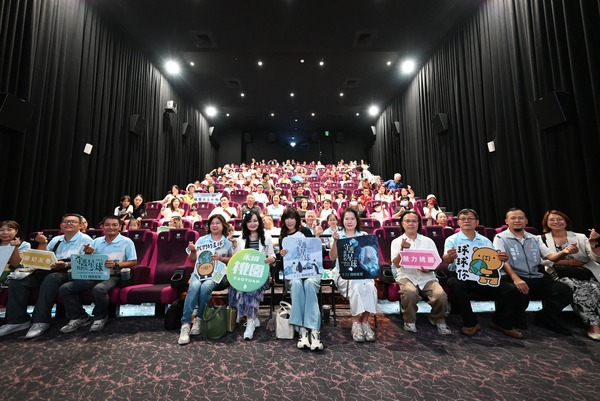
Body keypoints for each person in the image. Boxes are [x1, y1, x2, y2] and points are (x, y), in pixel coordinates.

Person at [0, 214, 92, 338]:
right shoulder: (56, 239)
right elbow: (41, 257)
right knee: (18, 280)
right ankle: (17, 320)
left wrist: (65, 264)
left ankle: (40, 320)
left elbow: (86, 261)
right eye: (66, 221)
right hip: (49, 268)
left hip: (69, 271)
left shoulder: (85, 239)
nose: (69, 224)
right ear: (61, 225)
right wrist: (43, 243)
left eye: (73, 222)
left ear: (80, 225)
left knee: (51, 279)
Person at [493, 208, 575, 335]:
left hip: (536, 275)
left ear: (526, 221)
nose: (517, 220)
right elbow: (502, 261)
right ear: (507, 221)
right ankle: (515, 318)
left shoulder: (535, 238)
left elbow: (551, 257)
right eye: (513, 218)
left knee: (563, 290)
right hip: (514, 275)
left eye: (520, 218)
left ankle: (546, 318)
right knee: (517, 290)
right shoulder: (500, 238)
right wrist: (516, 278)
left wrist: (564, 252)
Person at [443, 208, 523, 338]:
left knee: (510, 289)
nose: (467, 221)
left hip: (483, 275)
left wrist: (501, 258)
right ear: (458, 222)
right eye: (463, 219)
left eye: (470, 218)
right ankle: (471, 323)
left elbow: (493, 259)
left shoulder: (485, 240)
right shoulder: (452, 240)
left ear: (477, 222)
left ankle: (500, 322)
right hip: (461, 276)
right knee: (454, 284)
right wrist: (449, 257)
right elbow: (446, 259)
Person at [59, 216, 137, 333]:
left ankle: (100, 317)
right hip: (93, 274)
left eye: (114, 225)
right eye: (107, 225)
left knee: (99, 289)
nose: (111, 227)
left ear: (120, 227)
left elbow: (133, 261)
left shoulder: (126, 242)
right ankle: (79, 316)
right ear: (102, 227)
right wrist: (88, 253)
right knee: (65, 288)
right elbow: (85, 260)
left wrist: (117, 264)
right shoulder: (96, 241)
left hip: (113, 275)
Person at [538, 210, 600, 340]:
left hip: (584, 272)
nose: (556, 222)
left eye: (560, 219)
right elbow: (540, 260)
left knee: (594, 287)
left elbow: (595, 257)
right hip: (559, 274)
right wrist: (567, 262)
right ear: (546, 223)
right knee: (575, 287)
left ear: (566, 221)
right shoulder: (541, 239)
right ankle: (593, 324)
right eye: (552, 220)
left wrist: (593, 242)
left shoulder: (580, 237)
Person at [391, 211, 451, 335]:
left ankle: (438, 319)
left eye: (414, 221)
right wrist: (403, 249)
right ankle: (409, 320)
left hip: (427, 276)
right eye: (407, 221)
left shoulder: (428, 241)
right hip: (406, 276)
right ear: (402, 223)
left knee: (440, 295)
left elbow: (437, 263)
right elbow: (396, 264)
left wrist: (430, 269)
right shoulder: (397, 241)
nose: (411, 224)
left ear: (419, 223)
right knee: (409, 293)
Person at [179, 214, 233, 345]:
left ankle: (199, 318)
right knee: (194, 287)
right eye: (212, 223)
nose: (214, 225)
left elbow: (231, 260)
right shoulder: (202, 240)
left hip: (217, 274)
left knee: (206, 286)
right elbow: (192, 259)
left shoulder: (227, 242)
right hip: (199, 272)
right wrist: (193, 251)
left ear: (223, 225)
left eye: (218, 223)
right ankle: (186, 324)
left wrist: (222, 258)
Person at [329, 208, 378, 342]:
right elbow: (332, 257)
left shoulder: (363, 235)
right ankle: (356, 322)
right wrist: (335, 242)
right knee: (356, 285)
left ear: (357, 221)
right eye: (347, 219)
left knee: (370, 286)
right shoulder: (338, 235)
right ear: (342, 221)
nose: (349, 221)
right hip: (343, 273)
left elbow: (370, 257)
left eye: (352, 218)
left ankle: (365, 322)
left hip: (362, 272)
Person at [278, 207, 323, 351]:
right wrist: (282, 255)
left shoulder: (306, 232)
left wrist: (317, 238)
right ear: (283, 221)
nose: (289, 221)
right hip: (294, 275)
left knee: (309, 284)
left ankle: (314, 330)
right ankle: (302, 330)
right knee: (297, 285)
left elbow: (316, 253)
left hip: (310, 272)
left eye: (292, 218)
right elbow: (284, 265)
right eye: (287, 218)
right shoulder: (283, 238)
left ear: (297, 219)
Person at [229, 211, 277, 340]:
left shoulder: (266, 237)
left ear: (259, 222)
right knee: (241, 286)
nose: (252, 223)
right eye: (249, 221)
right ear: (245, 223)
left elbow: (272, 255)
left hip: (262, 275)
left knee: (250, 289)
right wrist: (234, 246)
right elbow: (237, 259)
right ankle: (253, 317)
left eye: (255, 221)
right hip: (245, 273)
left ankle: (250, 322)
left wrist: (271, 259)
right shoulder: (241, 239)